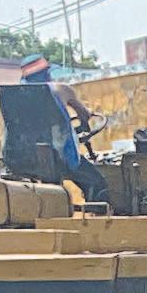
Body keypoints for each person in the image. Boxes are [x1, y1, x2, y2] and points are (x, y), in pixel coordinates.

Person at [18, 54, 107, 200]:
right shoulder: (61, 89)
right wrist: (86, 116)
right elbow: (84, 115)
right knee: (97, 183)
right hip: (60, 157)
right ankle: (96, 210)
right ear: (47, 73)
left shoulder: (17, 97)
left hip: (25, 158)